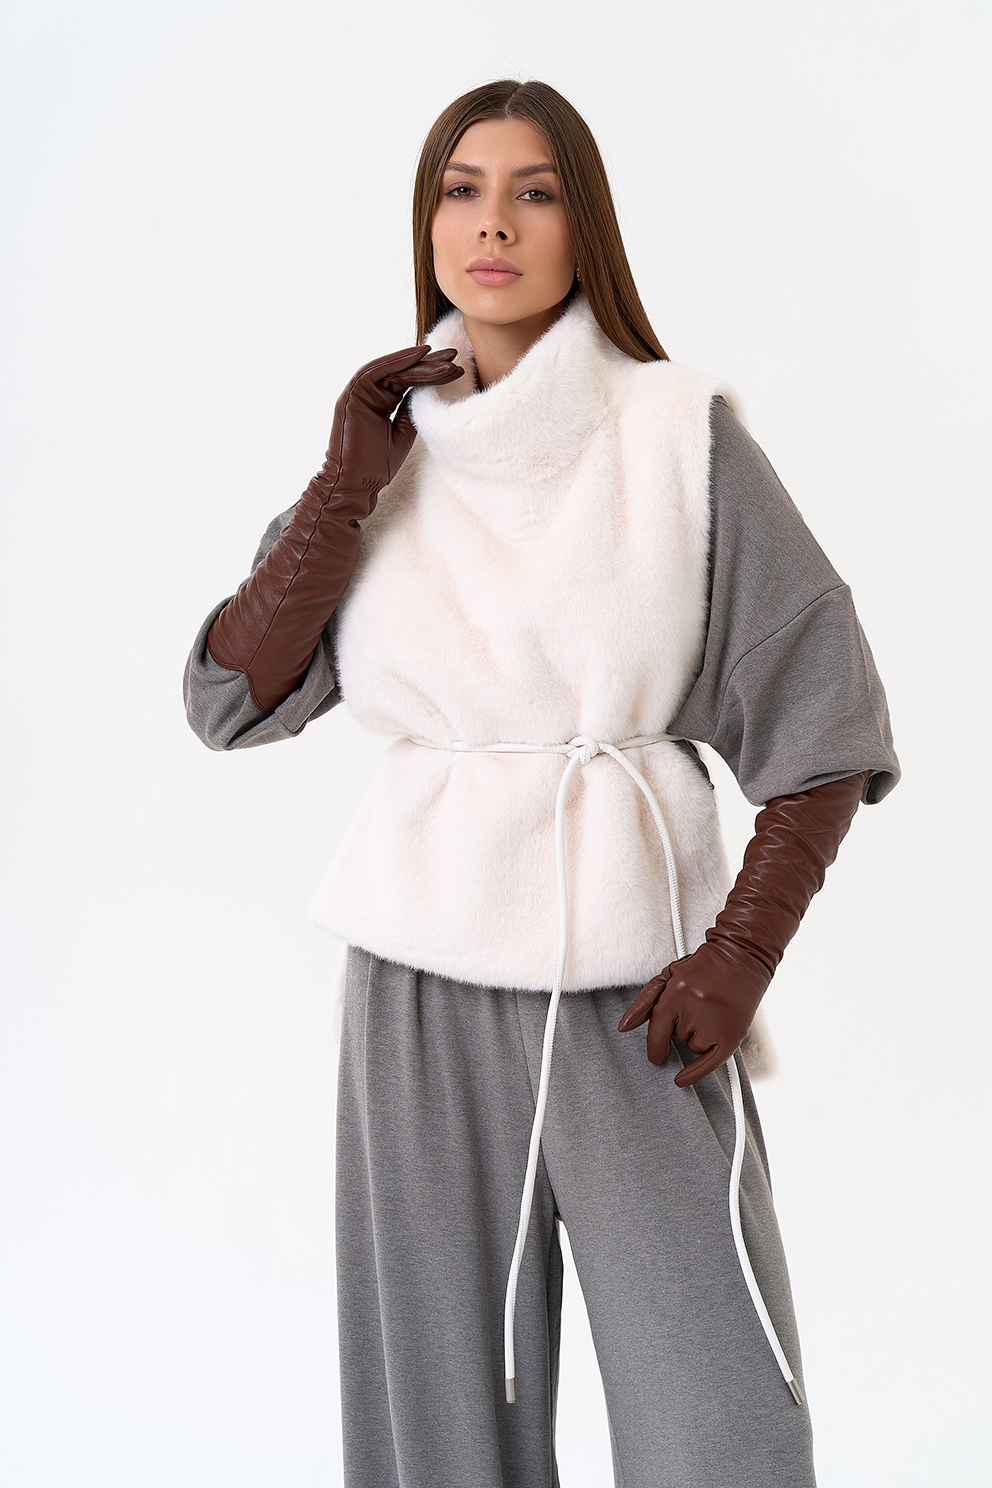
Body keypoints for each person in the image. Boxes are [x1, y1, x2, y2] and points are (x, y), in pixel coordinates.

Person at [184, 79, 899, 1488]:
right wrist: (341, 492)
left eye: (534, 190)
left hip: (638, 991)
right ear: (426, 223)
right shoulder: (382, 455)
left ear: (587, 227)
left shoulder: (678, 433)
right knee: (436, 1427)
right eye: (461, 190)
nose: (492, 224)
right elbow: (227, 700)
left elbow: (824, 717)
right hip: (417, 986)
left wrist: (741, 953)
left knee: (724, 1423)